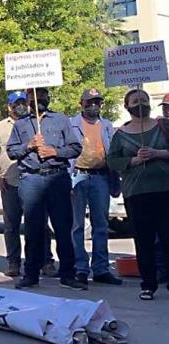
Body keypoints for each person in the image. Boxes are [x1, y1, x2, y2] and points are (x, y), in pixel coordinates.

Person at [7, 87, 86, 290]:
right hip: (31, 180)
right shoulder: (21, 123)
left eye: (43, 95)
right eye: (35, 96)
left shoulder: (60, 120)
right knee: (33, 229)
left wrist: (55, 151)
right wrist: (29, 146)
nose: (40, 99)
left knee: (63, 227)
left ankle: (68, 274)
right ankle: (31, 274)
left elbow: (75, 147)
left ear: (49, 98)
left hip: (57, 178)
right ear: (28, 100)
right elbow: (11, 151)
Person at [107, 89, 169, 300]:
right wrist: (133, 160)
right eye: (135, 101)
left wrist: (157, 154)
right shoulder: (121, 135)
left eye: (143, 100)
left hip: (164, 190)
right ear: (127, 106)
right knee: (144, 241)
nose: (140, 103)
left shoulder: (164, 126)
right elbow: (112, 160)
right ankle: (148, 285)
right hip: (136, 193)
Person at [0, 91, 54, 277]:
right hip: (10, 183)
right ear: (9, 106)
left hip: (34, 181)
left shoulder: (36, 123)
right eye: (16, 103)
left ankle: (46, 261)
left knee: (40, 224)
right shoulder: (0, 127)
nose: (20, 106)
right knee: (11, 226)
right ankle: (13, 262)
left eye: (24, 102)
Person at [69, 89, 122, 286]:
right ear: (81, 103)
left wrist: (115, 182)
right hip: (77, 175)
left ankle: (101, 269)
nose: (93, 106)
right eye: (89, 102)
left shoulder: (107, 125)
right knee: (77, 226)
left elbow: (113, 154)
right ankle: (80, 268)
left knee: (101, 225)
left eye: (97, 102)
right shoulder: (71, 123)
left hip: (101, 177)